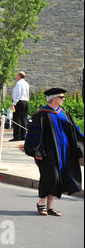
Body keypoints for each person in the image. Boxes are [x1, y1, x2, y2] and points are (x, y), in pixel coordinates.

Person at [24, 88, 83, 216]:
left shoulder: (64, 113)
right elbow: (34, 135)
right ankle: (41, 203)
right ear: (53, 98)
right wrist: (36, 152)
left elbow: (76, 131)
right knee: (51, 177)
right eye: (61, 97)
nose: (64, 99)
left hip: (64, 153)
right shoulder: (42, 114)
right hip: (48, 153)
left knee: (59, 179)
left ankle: (50, 207)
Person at [10, 71, 30, 141]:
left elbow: (17, 94)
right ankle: (23, 135)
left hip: (19, 102)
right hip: (26, 102)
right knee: (24, 119)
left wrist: (14, 103)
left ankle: (16, 136)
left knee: (16, 119)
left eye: (17, 75)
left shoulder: (19, 83)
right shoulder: (26, 83)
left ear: (19, 76)